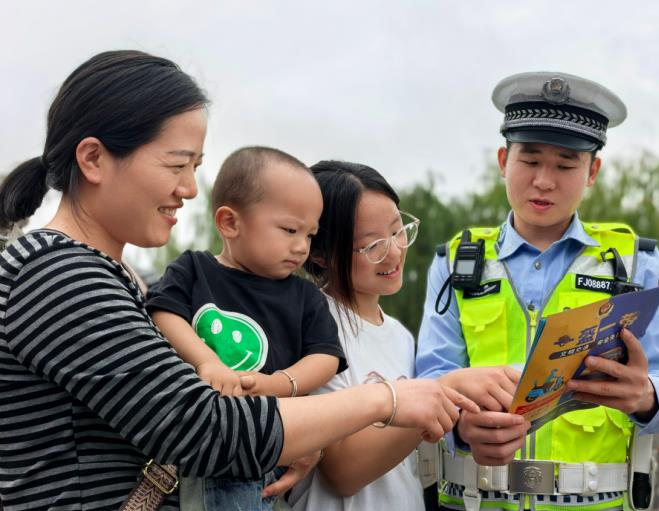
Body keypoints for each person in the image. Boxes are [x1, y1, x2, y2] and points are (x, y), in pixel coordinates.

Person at [0, 50, 477, 511]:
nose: (188, 189)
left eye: (195, 168)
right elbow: (202, 429)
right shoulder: (57, 273)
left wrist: (295, 439)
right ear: (94, 159)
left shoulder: (110, 277)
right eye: (175, 164)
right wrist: (385, 399)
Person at [416, 71, 659, 511]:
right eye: (529, 161)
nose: (545, 180)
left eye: (566, 165)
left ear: (592, 171)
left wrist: (644, 395)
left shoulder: (636, 260)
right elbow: (429, 381)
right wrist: (462, 428)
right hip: (473, 501)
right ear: (503, 160)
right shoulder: (455, 261)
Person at [289, 161, 521, 511]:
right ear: (319, 254)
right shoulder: (315, 325)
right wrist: (447, 389)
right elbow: (343, 472)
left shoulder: (399, 336)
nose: (396, 252)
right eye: (373, 246)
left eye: (398, 231)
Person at [147, 146, 348, 509]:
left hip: (271, 445)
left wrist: (281, 383)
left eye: (310, 234)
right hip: (207, 442)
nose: (302, 247)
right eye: (290, 230)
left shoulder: (304, 295)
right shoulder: (194, 270)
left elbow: (326, 356)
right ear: (230, 223)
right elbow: (164, 314)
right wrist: (206, 362)